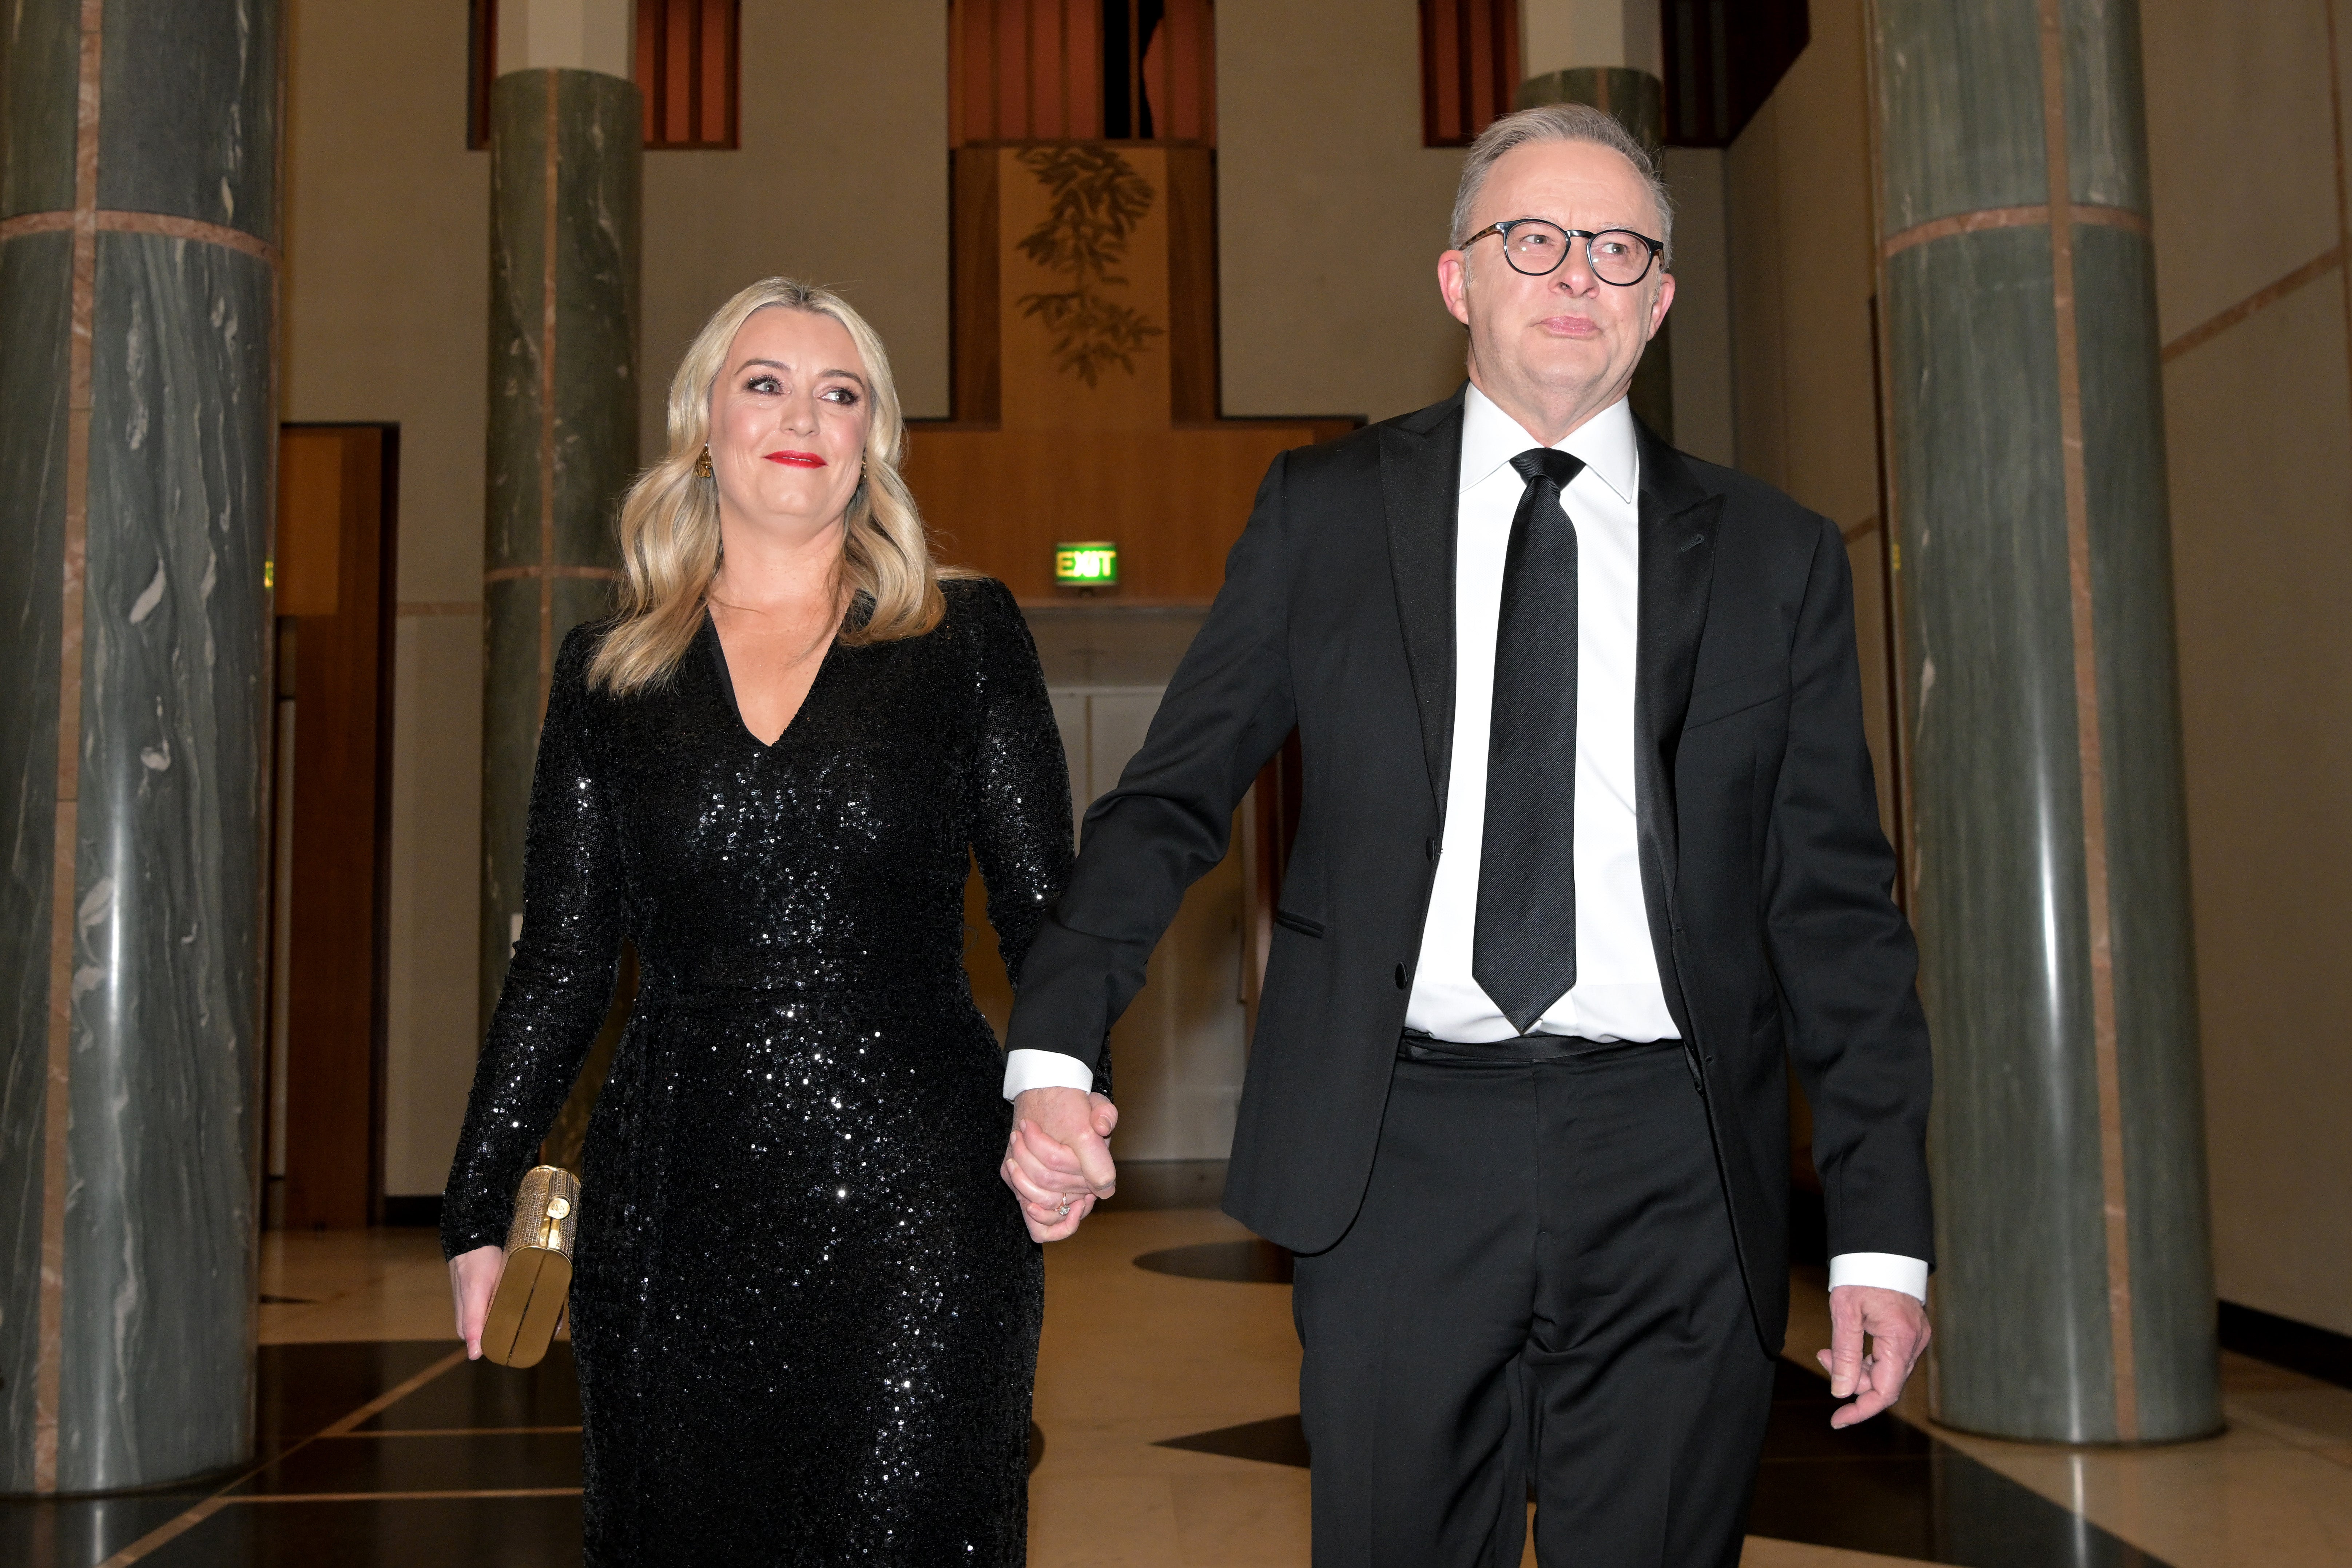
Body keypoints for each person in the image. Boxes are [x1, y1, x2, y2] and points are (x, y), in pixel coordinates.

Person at [997, 104, 1935, 1567]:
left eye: (1618, 249)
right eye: (1533, 239)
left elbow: (1833, 912)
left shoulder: (1774, 555)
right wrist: (1055, 1044)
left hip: (1677, 1163)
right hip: (1393, 1151)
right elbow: (1169, 795)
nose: (1576, 276)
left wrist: (1878, 1235)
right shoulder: (1324, 513)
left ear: (1660, 301)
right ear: (1458, 281)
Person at [442, 277, 1105, 1566]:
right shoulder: (609, 673)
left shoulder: (963, 637)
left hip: (925, 1198)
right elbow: (564, 962)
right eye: (766, 382)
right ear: (705, 424)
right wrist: (479, 1209)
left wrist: (1067, 1092)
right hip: (676, 1198)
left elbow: (1047, 913)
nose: (803, 413)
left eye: (839, 390)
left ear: (872, 439)